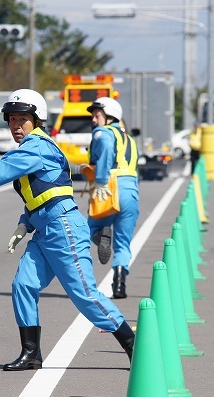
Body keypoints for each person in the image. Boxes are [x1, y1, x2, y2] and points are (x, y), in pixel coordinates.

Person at [0, 89, 136, 371]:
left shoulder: (38, 147)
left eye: (23, 119)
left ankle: (136, 347)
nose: (16, 125)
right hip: (44, 230)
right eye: (12, 119)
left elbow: (1, 169)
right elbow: (43, 194)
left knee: (85, 295)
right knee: (23, 285)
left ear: (37, 120)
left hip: (64, 229)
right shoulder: (31, 149)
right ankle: (31, 353)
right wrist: (24, 224)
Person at [83, 97, 140, 299]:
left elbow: (106, 147)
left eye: (97, 115)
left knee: (91, 229)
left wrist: (100, 179)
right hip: (130, 191)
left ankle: (101, 237)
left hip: (108, 188)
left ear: (109, 117)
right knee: (123, 243)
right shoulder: (131, 141)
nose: (94, 120)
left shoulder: (102, 133)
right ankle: (119, 285)